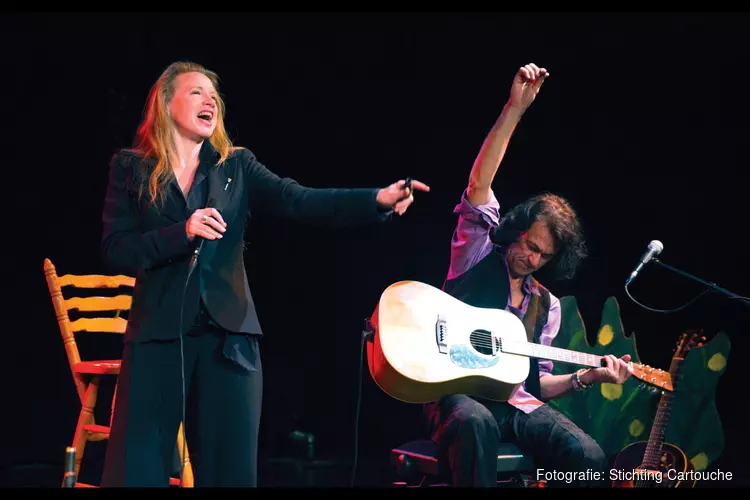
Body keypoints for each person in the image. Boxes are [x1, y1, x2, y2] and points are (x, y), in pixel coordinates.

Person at [98, 60, 430, 488]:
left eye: (213, 94)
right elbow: (116, 249)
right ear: (165, 104)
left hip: (229, 337)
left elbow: (301, 200)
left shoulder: (236, 167)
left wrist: (377, 200)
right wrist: (180, 232)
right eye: (196, 91)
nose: (210, 99)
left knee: (231, 471)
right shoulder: (131, 168)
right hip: (158, 334)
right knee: (135, 468)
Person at [422, 62, 633, 488]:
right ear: (517, 230)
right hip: (456, 398)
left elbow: (537, 382)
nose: (534, 259)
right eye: (531, 246)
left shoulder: (545, 305)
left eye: (545, 256)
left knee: (588, 455)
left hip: (514, 405)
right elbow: (480, 180)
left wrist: (588, 377)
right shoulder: (478, 252)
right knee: (475, 420)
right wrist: (515, 109)